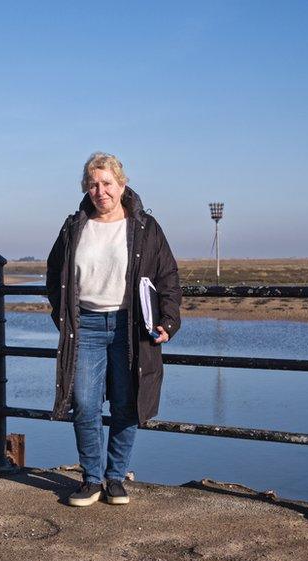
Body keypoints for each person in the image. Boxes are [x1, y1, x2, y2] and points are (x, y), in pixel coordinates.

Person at [46, 152, 181, 507]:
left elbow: (168, 276)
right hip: (85, 326)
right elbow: (53, 273)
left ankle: (116, 478)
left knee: (126, 402)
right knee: (85, 402)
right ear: (85, 189)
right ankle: (91, 479)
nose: (100, 190)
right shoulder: (74, 226)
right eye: (93, 184)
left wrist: (168, 321)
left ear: (122, 185)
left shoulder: (146, 228)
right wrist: (63, 317)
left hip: (130, 327)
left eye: (107, 183)